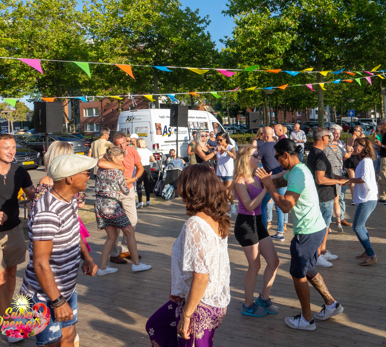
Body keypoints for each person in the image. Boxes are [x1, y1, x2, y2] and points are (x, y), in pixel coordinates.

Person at [255, 139, 344, 331]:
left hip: (307, 232)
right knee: (308, 268)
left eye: (278, 158)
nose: (277, 161)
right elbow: (279, 180)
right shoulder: (298, 169)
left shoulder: (297, 175)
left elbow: (286, 206)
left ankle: (306, 319)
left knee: (298, 274)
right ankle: (331, 304)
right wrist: (266, 180)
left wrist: (270, 186)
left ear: (285, 155)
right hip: (315, 228)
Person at [146, 165, 230, 346]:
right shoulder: (217, 218)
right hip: (208, 299)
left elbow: (202, 277)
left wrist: (187, 315)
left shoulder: (195, 224)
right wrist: (179, 288)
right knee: (156, 325)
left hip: (200, 304)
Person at [20, 154, 98, 347]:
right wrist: (57, 301)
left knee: (69, 337)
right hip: (45, 296)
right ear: (69, 178)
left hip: (66, 289)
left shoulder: (68, 200)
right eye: (86, 173)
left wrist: (86, 257)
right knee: (52, 343)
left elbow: (75, 231)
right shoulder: (47, 212)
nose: (89, 176)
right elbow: (40, 262)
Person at [0, 135, 35, 342]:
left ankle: (7, 311)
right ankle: (9, 324)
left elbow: (32, 194)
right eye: (6, 147)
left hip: (14, 230)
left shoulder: (19, 171)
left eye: (14, 147)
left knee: (11, 272)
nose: (11, 151)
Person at [232, 146, 280, 317]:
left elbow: (278, 175)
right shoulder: (239, 181)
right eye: (256, 155)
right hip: (246, 225)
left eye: (259, 155)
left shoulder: (257, 176)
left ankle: (263, 298)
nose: (259, 158)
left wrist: (292, 168)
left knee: (274, 261)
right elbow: (250, 205)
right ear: (246, 158)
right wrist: (266, 188)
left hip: (258, 223)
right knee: (255, 266)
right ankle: (247, 305)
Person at [95, 147, 152, 276]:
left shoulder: (100, 170)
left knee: (111, 236)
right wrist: (127, 182)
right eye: (121, 158)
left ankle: (102, 268)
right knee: (130, 232)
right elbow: (125, 191)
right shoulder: (117, 172)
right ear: (113, 157)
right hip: (112, 205)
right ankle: (136, 264)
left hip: (99, 204)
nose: (122, 160)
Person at [33, 142, 91, 252]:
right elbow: (81, 204)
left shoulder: (46, 181)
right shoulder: (75, 180)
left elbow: (35, 205)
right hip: (71, 220)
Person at [97, 131, 143, 264]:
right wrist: (120, 168)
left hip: (128, 190)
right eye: (119, 144)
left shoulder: (132, 151)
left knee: (132, 221)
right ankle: (114, 254)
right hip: (114, 194)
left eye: (124, 143)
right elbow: (100, 163)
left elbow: (140, 168)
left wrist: (134, 179)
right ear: (114, 144)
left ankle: (126, 249)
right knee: (115, 226)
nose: (122, 146)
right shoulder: (110, 154)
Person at [307, 128, 347, 268]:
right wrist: (338, 181)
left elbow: (322, 174)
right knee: (322, 227)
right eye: (328, 136)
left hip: (323, 195)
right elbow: (320, 179)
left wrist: (336, 177)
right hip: (324, 196)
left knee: (325, 225)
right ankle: (317, 255)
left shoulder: (314, 152)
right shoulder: (320, 155)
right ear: (323, 138)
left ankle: (322, 251)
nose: (330, 138)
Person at [346, 137, 379, 266]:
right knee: (361, 226)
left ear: (364, 147)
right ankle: (367, 251)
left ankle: (371, 254)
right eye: (354, 145)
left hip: (368, 199)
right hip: (367, 198)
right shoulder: (364, 161)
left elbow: (363, 179)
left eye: (356, 145)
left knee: (357, 227)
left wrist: (349, 180)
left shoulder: (366, 161)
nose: (354, 147)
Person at [258, 127, 287, 234]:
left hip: (271, 179)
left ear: (265, 135)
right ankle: (280, 232)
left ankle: (264, 232)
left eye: (262, 134)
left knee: (262, 205)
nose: (261, 136)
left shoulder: (262, 147)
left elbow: (256, 160)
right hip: (282, 178)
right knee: (279, 206)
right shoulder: (278, 145)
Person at [330, 124, 353, 229]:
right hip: (330, 174)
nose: (337, 135)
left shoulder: (341, 143)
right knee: (330, 199)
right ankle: (329, 221)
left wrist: (349, 151)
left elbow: (345, 157)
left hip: (340, 172)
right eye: (335, 133)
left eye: (339, 133)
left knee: (341, 198)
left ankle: (341, 218)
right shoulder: (327, 144)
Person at [215, 131, 236, 208]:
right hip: (219, 173)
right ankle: (226, 210)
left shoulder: (230, 147)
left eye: (220, 140)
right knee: (220, 193)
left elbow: (234, 156)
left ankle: (232, 203)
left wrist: (226, 150)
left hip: (229, 174)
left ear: (225, 139)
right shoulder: (217, 147)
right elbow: (215, 158)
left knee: (227, 193)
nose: (219, 142)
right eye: (217, 140)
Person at [136, 138, 155, 209]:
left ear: (139, 144)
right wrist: (148, 160)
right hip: (147, 167)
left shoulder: (137, 151)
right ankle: (148, 200)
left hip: (140, 167)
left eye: (137, 143)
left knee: (139, 185)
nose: (137, 144)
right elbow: (153, 159)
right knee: (147, 185)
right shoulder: (148, 151)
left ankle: (140, 201)